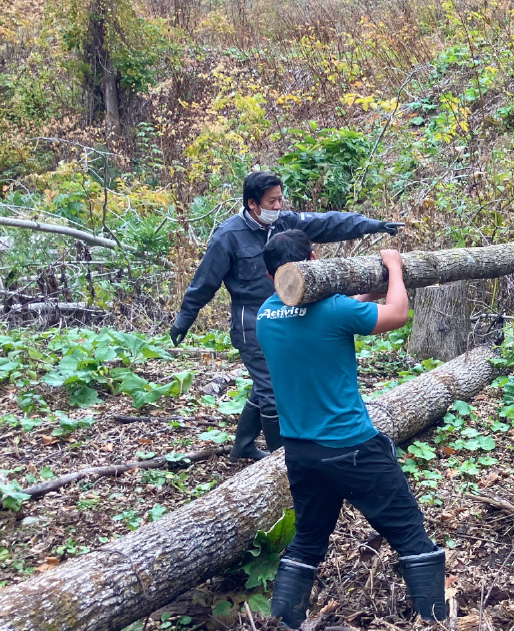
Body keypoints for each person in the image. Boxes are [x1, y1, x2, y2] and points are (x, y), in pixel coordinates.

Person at [256, 230, 445, 629]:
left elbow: (332, 318)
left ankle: (281, 624)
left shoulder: (265, 315)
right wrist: (393, 267)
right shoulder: (332, 313)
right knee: (409, 533)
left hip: (301, 452)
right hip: (353, 446)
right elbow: (396, 315)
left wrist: (363, 295)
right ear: (312, 260)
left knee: (308, 540)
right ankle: (436, 624)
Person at [169, 172, 402, 460]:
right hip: (254, 323)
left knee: (266, 382)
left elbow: (328, 223)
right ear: (253, 204)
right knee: (270, 389)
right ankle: (283, 460)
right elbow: (204, 281)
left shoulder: (284, 223)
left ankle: (242, 445)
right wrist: (184, 318)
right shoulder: (228, 237)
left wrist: (372, 225)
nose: (278, 206)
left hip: (293, 318)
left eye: (280, 199)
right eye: (272, 201)